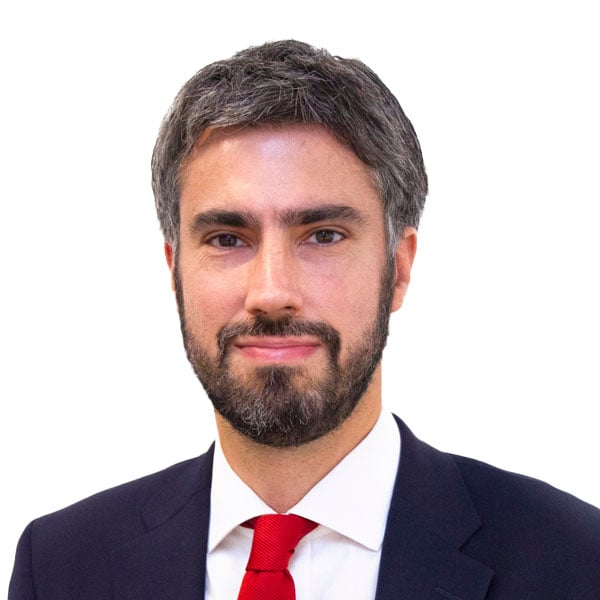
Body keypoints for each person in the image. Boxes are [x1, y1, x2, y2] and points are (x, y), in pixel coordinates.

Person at [9, 39, 600, 600]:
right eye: (226, 238)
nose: (271, 292)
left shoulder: (574, 560)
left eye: (323, 235)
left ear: (398, 268)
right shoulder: (62, 566)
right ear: (175, 269)